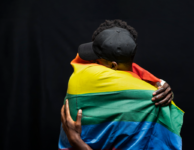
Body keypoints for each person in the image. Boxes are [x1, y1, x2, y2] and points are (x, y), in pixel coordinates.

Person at [58, 20, 183, 150]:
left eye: (96, 60)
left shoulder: (81, 77)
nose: (91, 63)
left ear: (113, 65)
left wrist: (76, 142)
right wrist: (158, 82)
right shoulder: (153, 98)